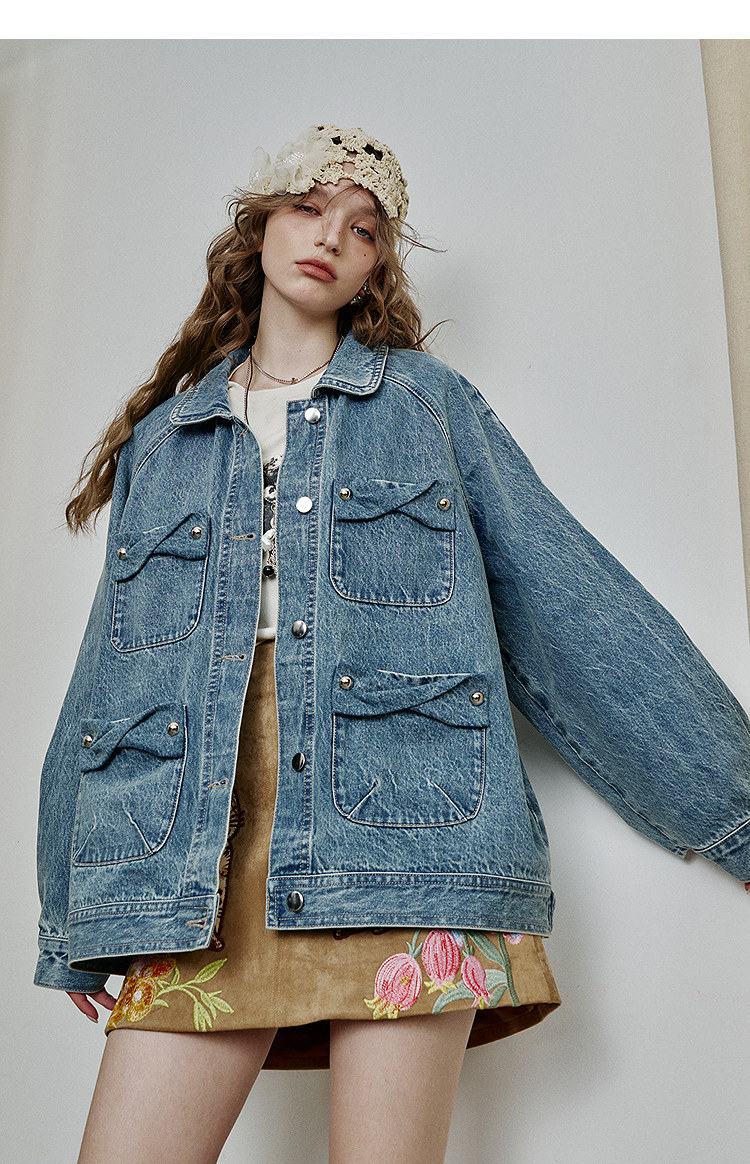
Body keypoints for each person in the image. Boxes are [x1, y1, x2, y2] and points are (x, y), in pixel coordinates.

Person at [34, 124, 750, 1164]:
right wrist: (74, 913)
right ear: (258, 226)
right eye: (307, 208)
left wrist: (734, 807)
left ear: (377, 265)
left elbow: (566, 602)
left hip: (409, 840)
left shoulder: (427, 405)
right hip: (193, 860)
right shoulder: (166, 442)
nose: (331, 236)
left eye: (363, 228)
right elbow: (108, 679)